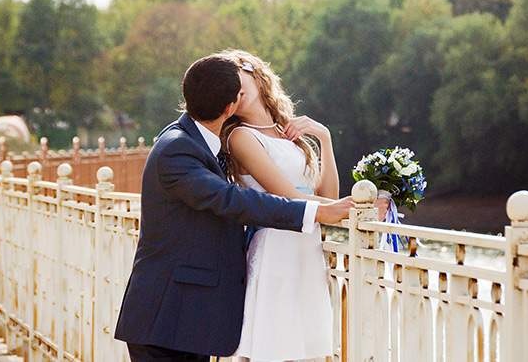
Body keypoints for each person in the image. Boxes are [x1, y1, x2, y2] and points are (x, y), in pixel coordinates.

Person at [114, 53, 356, 362]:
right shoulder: (177, 149)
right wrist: (320, 211)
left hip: (186, 315)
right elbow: (232, 199)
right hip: (165, 317)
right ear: (230, 109)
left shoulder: (193, 142)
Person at [219, 50, 389, 362]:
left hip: (306, 247)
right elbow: (287, 197)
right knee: (274, 347)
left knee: (305, 349)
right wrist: (354, 210)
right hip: (276, 246)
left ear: (255, 73)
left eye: (237, 76)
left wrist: (324, 138)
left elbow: (326, 191)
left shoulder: (289, 132)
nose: (234, 88)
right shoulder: (240, 137)